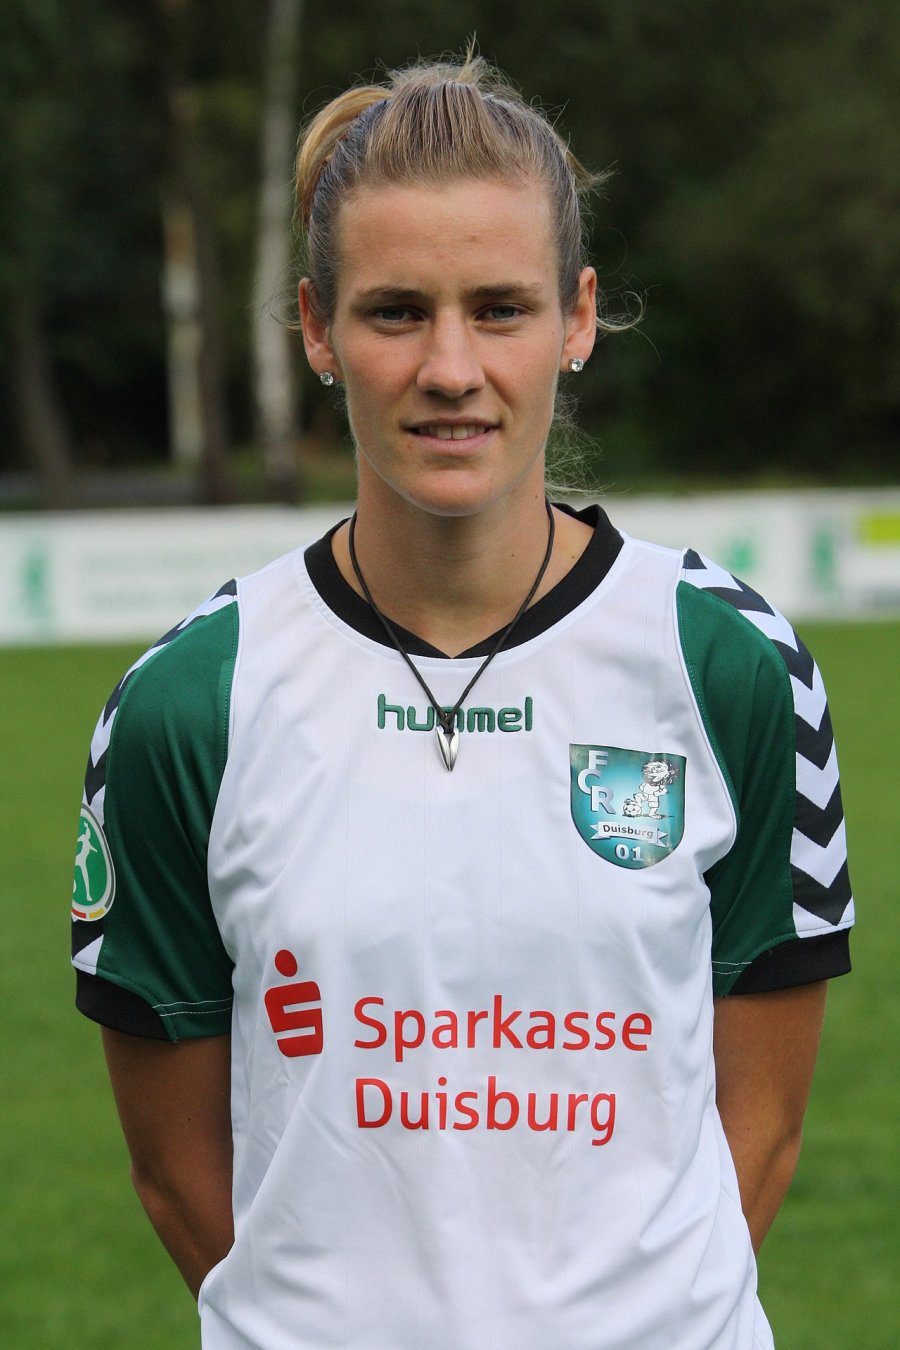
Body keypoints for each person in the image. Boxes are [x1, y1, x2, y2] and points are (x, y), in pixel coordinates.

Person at [70, 54, 854, 1349]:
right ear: (316, 327)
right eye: (394, 312)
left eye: (500, 309)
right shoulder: (188, 705)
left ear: (577, 318)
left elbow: (759, 1132)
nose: (450, 366)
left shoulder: (729, 666)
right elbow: (176, 1172)